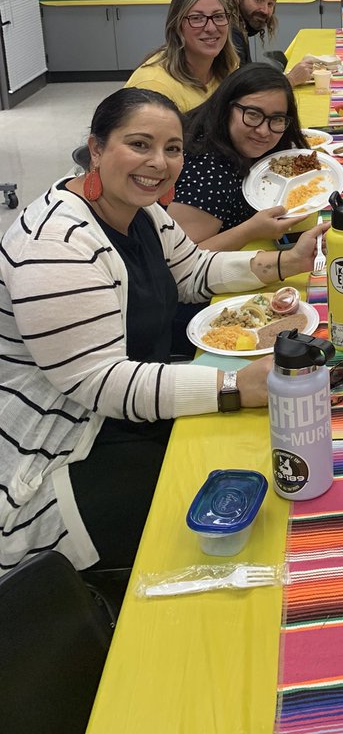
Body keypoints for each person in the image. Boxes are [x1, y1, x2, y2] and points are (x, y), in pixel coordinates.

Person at [0, 88, 323, 577]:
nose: (160, 162)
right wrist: (233, 386)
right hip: (59, 453)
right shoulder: (55, 246)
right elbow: (101, 384)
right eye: (140, 144)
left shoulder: (141, 210)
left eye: (172, 148)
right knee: (238, 511)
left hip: (125, 415)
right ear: (96, 148)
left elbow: (192, 271)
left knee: (254, 452)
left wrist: (284, 262)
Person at [168, 62, 311, 251]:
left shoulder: (231, 140)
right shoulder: (209, 174)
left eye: (276, 119)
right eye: (252, 114)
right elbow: (178, 259)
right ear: (226, 108)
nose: (263, 131)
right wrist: (250, 231)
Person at [126, 0, 238, 111]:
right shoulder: (154, 86)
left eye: (218, 16)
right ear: (176, 27)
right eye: (197, 18)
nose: (211, 28)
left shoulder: (229, 66)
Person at [225, 0, 315, 87]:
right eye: (258, 0)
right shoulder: (230, 33)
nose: (265, 10)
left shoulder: (240, 28)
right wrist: (291, 79)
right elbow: (241, 91)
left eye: (270, 4)